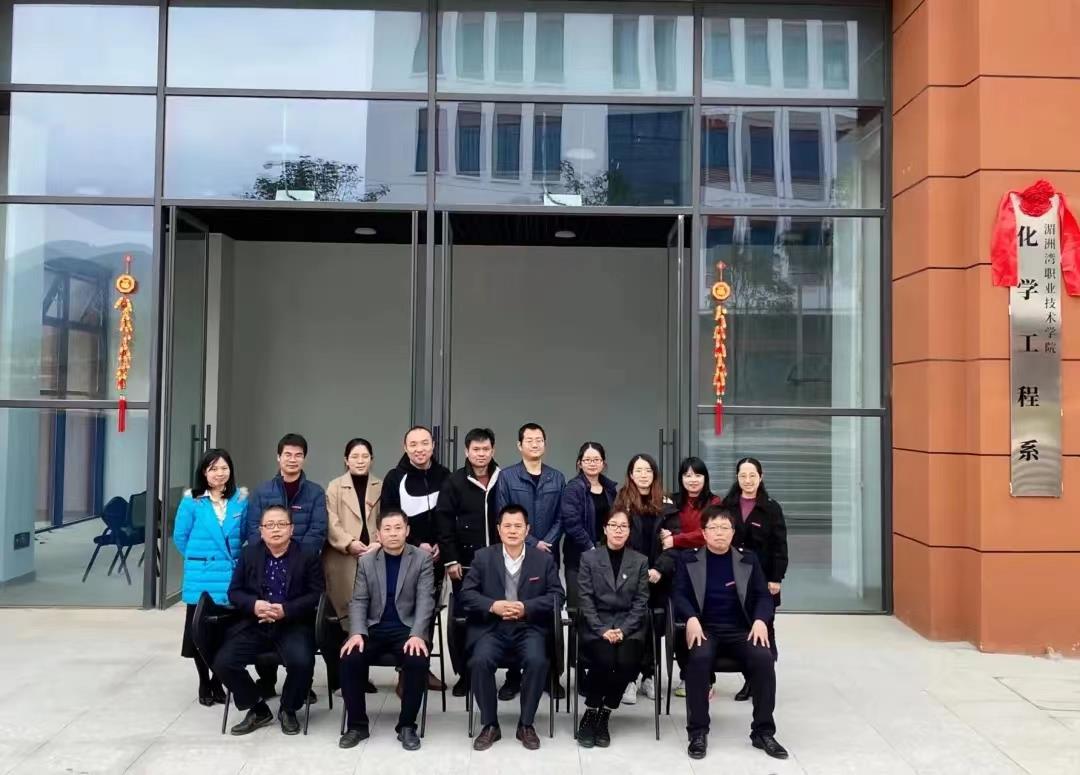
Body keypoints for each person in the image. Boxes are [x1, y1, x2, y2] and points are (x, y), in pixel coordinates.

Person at [673, 506, 787, 761]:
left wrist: (760, 621)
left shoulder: (748, 559)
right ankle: (698, 732)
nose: (719, 533)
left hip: (741, 631)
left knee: (764, 658)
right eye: (713, 528)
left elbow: (763, 596)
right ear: (703, 533)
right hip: (705, 629)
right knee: (699, 660)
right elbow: (678, 594)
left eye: (725, 528)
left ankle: (763, 732)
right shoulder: (688, 559)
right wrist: (691, 618)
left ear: (733, 532)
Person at [213, 505, 324, 736]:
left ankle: (288, 709)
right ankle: (257, 708)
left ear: (291, 529)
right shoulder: (249, 554)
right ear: (261, 531)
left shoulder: (307, 555)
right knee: (223, 662)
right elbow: (234, 592)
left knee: (302, 662)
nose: (276, 530)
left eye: (282, 524)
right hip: (256, 623)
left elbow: (317, 594)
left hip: (293, 623)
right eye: (269, 525)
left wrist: (286, 610)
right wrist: (254, 605)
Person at [462, 504, 564, 752]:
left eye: (518, 526)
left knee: (538, 661)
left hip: (529, 628)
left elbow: (557, 595)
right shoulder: (483, 557)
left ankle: (526, 724)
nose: (512, 530)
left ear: (527, 530)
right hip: (492, 628)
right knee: (479, 661)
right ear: (498, 529)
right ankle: (490, 725)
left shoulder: (543, 559)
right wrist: (493, 606)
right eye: (507, 526)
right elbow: (466, 594)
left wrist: (526, 607)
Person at [338, 510, 435, 750]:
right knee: (350, 657)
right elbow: (359, 600)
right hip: (374, 628)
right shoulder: (367, 561)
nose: (393, 533)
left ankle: (407, 725)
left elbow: (426, 600)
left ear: (407, 531)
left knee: (417, 660)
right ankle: (357, 726)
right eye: (387, 529)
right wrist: (356, 633)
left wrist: (417, 634)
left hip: (407, 628)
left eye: (398, 528)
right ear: (378, 535)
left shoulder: (421, 559)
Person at [244, 433, 328, 701]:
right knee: (265, 619)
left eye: (298, 455)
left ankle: (302, 683)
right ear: (278, 457)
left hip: (301, 572)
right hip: (266, 569)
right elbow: (253, 530)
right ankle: (267, 680)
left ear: (305, 458)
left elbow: (318, 530)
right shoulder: (262, 492)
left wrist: (294, 556)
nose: (293, 459)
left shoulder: (315, 492)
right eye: (288, 454)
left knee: (299, 626)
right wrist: (271, 553)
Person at [492, 422, 566, 700]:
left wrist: (547, 543)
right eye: (529, 440)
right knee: (514, 610)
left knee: (547, 612)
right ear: (519, 445)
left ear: (545, 444)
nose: (535, 444)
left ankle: (550, 675)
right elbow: (503, 514)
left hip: (548, 556)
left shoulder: (557, 478)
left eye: (539, 440)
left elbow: (562, 517)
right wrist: (533, 542)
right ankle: (513, 676)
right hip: (515, 552)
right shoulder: (507, 477)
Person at [174, 448, 247, 707]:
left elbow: (244, 534)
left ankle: (218, 680)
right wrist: (201, 558)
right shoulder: (191, 501)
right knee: (200, 632)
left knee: (227, 632)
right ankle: (204, 681)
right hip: (201, 575)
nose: (219, 473)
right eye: (213, 468)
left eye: (224, 468)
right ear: (204, 472)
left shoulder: (240, 500)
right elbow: (180, 537)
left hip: (229, 574)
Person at [380, 425, 451, 691]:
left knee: (427, 612)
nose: (419, 449)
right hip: (403, 557)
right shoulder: (394, 478)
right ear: (405, 447)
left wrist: (442, 545)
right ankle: (405, 671)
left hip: (436, 558)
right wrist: (415, 544)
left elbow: (451, 516)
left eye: (424, 443)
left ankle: (421, 668)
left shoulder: (445, 476)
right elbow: (387, 519)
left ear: (433, 445)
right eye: (413, 444)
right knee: (405, 610)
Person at [434, 427, 501, 697]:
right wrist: (450, 559)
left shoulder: (503, 478)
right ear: (466, 451)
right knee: (464, 620)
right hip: (465, 565)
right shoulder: (454, 481)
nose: (481, 454)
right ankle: (466, 674)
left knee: (499, 616)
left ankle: (499, 671)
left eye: (485, 449)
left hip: (500, 563)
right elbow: (443, 522)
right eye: (476, 449)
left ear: (493, 450)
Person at [574, 508, 649, 748]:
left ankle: (605, 712)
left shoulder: (640, 561)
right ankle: (590, 712)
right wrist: (601, 629)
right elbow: (585, 598)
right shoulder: (589, 559)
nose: (618, 530)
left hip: (629, 626)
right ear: (605, 529)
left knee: (627, 662)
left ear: (629, 531)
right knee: (605, 660)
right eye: (613, 525)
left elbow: (641, 601)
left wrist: (624, 630)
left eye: (623, 526)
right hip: (597, 624)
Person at [720, 457, 788, 702]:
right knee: (741, 629)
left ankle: (759, 680)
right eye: (743, 475)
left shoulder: (771, 508)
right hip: (733, 579)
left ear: (761, 477)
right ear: (737, 478)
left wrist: (776, 578)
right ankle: (749, 677)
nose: (747, 480)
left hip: (763, 580)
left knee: (764, 628)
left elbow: (780, 547)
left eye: (752, 475)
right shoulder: (727, 505)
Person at [612, 452, 676, 704]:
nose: (643, 475)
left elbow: (673, 545)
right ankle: (629, 678)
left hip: (659, 577)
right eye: (638, 470)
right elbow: (616, 539)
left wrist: (659, 569)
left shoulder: (667, 503)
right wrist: (636, 571)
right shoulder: (622, 501)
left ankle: (649, 675)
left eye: (648, 470)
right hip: (630, 576)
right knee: (633, 625)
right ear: (630, 474)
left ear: (654, 474)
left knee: (653, 626)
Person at [323, 438, 383, 696]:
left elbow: (386, 519)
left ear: (372, 459)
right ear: (346, 460)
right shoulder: (335, 487)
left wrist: (378, 543)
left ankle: (361, 676)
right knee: (343, 616)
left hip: (374, 556)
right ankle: (339, 678)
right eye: (355, 456)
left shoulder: (380, 486)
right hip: (343, 558)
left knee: (367, 614)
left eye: (365, 456)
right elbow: (331, 522)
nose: (360, 461)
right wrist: (349, 543)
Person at [660, 456, 721, 697]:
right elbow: (663, 530)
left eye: (697, 475)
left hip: (706, 568)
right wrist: (672, 539)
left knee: (706, 622)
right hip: (678, 569)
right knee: (680, 622)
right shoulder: (671, 501)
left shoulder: (714, 502)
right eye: (687, 475)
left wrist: (676, 539)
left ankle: (707, 678)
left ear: (705, 478)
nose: (692, 480)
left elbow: (706, 533)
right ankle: (687, 675)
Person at [559, 441, 618, 612]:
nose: (592, 463)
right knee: (578, 609)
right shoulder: (573, 488)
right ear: (580, 463)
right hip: (579, 556)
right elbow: (571, 523)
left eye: (596, 460)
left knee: (603, 608)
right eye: (587, 460)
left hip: (606, 555)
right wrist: (590, 548)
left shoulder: (610, 489)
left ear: (603, 463)